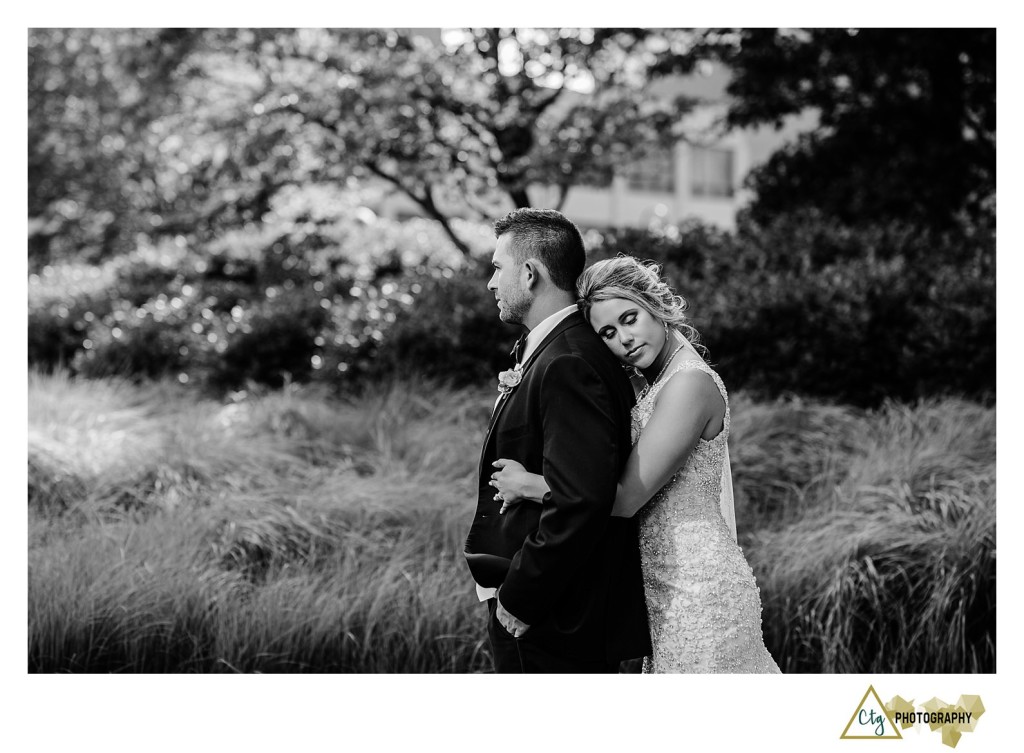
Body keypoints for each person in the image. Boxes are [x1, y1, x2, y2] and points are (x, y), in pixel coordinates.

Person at [492, 255, 781, 673]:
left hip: (698, 591)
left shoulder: (689, 385)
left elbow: (626, 498)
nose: (623, 339)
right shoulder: (656, 382)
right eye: (608, 332)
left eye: (630, 318)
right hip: (661, 588)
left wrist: (530, 485)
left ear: (655, 304)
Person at [464, 209, 651, 673]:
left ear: (529, 274)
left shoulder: (569, 361)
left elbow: (580, 500)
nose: (491, 282)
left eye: (497, 267)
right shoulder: (556, 350)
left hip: (553, 619)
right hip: (551, 614)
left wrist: (522, 598)